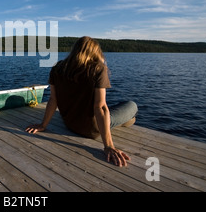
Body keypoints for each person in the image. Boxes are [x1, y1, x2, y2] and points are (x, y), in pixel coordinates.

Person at [26, 36, 138, 167]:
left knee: (120, 112)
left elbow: (53, 99)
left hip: (70, 124)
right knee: (132, 105)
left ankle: (126, 121)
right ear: (95, 52)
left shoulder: (57, 68)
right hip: (92, 129)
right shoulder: (98, 69)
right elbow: (100, 107)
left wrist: (43, 125)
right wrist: (108, 146)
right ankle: (126, 121)